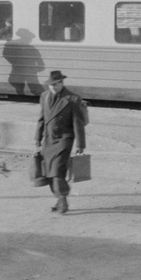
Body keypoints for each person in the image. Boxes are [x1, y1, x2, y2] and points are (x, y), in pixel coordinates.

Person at [34, 70, 87, 214]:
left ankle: (62, 199)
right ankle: (59, 198)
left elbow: (78, 123)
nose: (53, 87)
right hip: (48, 139)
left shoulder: (73, 99)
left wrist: (80, 144)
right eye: (51, 85)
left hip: (64, 139)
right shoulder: (44, 96)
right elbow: (41, 119)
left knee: (57, 170)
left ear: (62, 83)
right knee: (49, 172)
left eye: (56, 84)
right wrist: (37, 138)